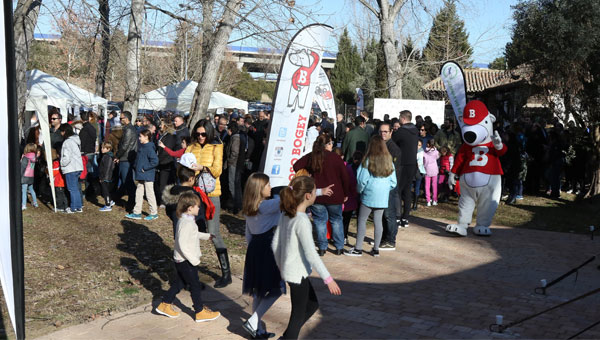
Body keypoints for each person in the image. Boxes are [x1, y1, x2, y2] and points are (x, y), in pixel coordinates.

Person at [271, 176, 342, 339]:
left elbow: (275, 244)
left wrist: (281, 266)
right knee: (298, 314)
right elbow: (311, 253)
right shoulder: (302, 221)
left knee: (312, 304)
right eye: (315, 191)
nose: (317, 194)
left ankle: (287, 336)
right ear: (308, 196)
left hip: (293, 271)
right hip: (296, 273)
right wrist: (328, 279)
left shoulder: (286, 214)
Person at [154, 192, 221, 323]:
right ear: (189, 208)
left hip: (182, 260)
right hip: (186, 261)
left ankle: (164, 304)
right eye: (197, 206)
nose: (199, 208)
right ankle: (199, 311)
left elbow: (193, 234)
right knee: (195, 285)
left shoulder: (187, 220)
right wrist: (194, 260)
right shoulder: (186, 223)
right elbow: (182, 244)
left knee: (180, 283)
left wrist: (207, 236)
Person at [186, 119, 231, 288]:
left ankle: (226, 274)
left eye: (203, 134)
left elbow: (217, 170)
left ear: (210, 133)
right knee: (192, 233)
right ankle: (192, 278)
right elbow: (183, 168)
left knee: (213, 232)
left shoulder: (216, 146)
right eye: (197, 134)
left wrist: (201, 167)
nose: (200, 137)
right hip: (194, 194)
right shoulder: (191, 146)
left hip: (211, 194)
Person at [293, 134, 350, 256]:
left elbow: (296, 166)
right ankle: (339, 247)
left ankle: (322, 247)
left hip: (316, 194)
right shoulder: (335, 157)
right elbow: (345, 177)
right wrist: (346, 193)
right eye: (331, 143)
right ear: (327, 144)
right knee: (336, 220)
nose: (332, 145)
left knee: (319, 221)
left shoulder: (311, 157)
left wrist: (309, 172)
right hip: (335, 194)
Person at [241, 173, 282, 339]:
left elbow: (248, 234)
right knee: (276, 289)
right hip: (268, 247)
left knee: (258, 291)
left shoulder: (250, 207)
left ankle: (257, 330)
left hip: (255, 248)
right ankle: (253, 321)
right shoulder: (268, 205)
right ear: (259, 189)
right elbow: (293, 197)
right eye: (267, 185)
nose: (270, 188)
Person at [345, 135, 397, 257]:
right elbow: (393, 182)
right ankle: (376, 249)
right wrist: (385, 190)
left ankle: (358, 248)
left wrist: (359, 191)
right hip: (383, 196)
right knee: (378, 221)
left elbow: (362, 180)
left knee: (362, 220)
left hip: (369, 195)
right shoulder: (389, 161)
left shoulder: (367, 161)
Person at [391, 110, 418, 227]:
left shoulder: (401, 131)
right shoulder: (415, 130)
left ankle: (397, 216)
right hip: (412, 163)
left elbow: (392, 141)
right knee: (407, 190)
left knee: (397, 190)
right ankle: (405, 217)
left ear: (403, 118)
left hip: (402, 163)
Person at [126, 129, 159, 221]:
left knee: (149, 194)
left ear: (146, 137)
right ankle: (137, 212)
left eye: (140, 136)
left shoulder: (149, 148)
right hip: (141, 175)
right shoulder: (142, 146)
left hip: (147, 175)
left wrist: (145, 168)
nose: (139, 138)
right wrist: (137, 166)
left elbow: (155, 161)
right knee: (139, 193)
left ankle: (154, 213)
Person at [378, 122, 401, 250]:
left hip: (389, 186)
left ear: (391, 132)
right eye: (381, 131)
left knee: (389, 214)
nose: (383, 134)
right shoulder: (381, 145)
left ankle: (390, 240)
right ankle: (383, 238)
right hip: (380, 186)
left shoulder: (393, 149)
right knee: (382, 214)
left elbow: (393, 171)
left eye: (385, 131)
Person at [115, 111, 138, 211]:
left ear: (127, 118)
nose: (120, 120)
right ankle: (118, 197)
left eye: (121, 118)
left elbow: (124, 145)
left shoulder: (129, 129)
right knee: (126, 181)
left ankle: (132, 204)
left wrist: (117, 156)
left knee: (128, 182)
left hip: (126, 158)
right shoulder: (128, 128)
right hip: (126, 157)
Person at [59, 123, 84, 213]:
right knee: (75, 188)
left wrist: (61, 164)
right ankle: (78, 206)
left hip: (71, 167)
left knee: (71, 188)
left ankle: (73, 207)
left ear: (64, 132)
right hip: (77, 167)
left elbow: (66, 157)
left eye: (61, 131)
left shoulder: (67, 142)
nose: (61, 134)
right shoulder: (75, 140)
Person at [156, 119, 178, 207]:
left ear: (166, 126)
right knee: (161, 183)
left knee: (163, 183)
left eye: (161, 124)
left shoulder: (170, 137)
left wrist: (158, 161)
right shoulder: (163, 135)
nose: (159, 126)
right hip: (162, 162)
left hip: (166, 163)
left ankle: (163, 201)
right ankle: (162, 200)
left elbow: (166, 151)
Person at [98, 142, 116, 211]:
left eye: (103, 148)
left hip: (106, 177)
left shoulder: (107, 157)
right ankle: (110, 201)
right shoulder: (106, 156)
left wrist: (103, 177)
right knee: (105, 190)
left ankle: (108, 205)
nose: (101, 149)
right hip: (106, 176)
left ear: (108, 149)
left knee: (105, 191)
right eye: (101, 148)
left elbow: (107, 168)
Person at [21, 143, 38, 210]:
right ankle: (35, 203)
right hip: (31, 176)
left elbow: (22, 168)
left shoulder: (25, 157)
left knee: (24, 191)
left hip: (25, 176)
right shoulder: (34, 157)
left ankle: (24, 205)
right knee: (31, 189)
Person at [423, 139, 440, 206]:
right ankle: (434, 200)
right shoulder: (436, 152)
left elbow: (423, 160)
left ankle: (428, 201)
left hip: (427, 170)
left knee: (427, 186)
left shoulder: (424, 152)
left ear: (428, 144)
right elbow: (437, 157)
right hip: (434, 170)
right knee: (434, 186)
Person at [413, 140, 426, 210]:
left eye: (419, 145)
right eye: (417, 144)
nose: (418, 146)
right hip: (412, 171)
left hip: (418, 171)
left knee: (417, 188)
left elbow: (420, 162)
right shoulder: (412, 151)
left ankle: (415, 204)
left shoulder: (422, 153)